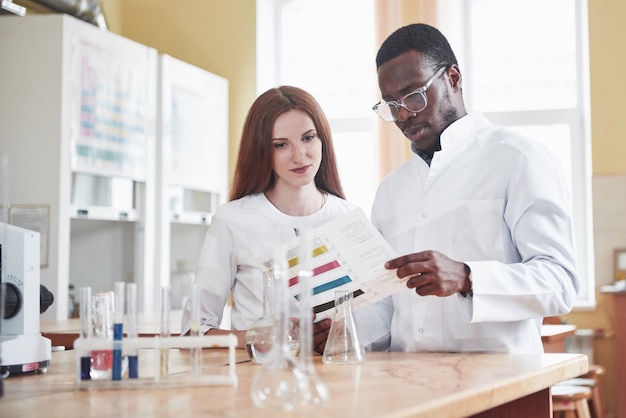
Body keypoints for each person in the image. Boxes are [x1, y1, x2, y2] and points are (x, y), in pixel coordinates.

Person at [351, 23, 579, 354]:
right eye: (391, 104)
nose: (403, 116)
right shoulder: (390, 191)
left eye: (414, 96)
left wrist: (468, 277)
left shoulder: (520, 160)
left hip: (502, 389)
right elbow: (387, 307)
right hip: (406, 389)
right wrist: (344, 333)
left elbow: (560, 283)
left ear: (453, 79)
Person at [180, 85, 357, 348]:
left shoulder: (348, 217)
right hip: (259, 377)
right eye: (281, 145)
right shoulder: (233, 220)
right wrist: (257, 337)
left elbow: (375, 318)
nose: (300, 155)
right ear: (262, 150)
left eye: (308, 138)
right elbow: (193, 330)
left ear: (323, 140)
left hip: (337, 377)